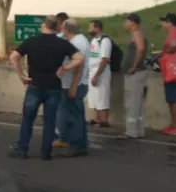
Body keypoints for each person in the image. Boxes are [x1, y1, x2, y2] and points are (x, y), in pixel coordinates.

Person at [9, 15, 85, 160]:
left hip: (35, 85)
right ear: (57, 27)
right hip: (54, 86)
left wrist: (22, 76)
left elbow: (13, 57)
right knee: (50, 121)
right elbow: (79, 58)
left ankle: (22, 148)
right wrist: (65, 67)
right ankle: (46, 152)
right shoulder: (62, 44)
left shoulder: (31, 41)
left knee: (28, 119)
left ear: (43, 25)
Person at [53, 20, 90, 155]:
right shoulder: (79, 40)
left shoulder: (77, 43)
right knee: (71, 115)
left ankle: (78, 146)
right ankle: (70, 141)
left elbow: (79, 65)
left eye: (63, 28)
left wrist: (73, 85)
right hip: (71, 84)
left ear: (67, 29)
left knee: (75, 118)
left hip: (75, 85)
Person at [117, 13, 150, 140]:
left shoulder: (137, 33)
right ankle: (138, 130)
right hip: (137, 73)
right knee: (137, 103)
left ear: (132, 22)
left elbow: (140, 49)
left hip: (135, 74)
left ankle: (132, 131)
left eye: (126, 22)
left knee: (132, 102)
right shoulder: (138, 33)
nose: (124, 24)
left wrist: (134, 66)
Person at [86, 20, 112, 127]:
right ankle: (96, 117)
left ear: (97, 28)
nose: (89, 29)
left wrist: (97, 74)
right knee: (94, 96)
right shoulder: (93, 41)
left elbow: (104, 59)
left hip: (101, 72)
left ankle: (104, 119)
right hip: (92, 71)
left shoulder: (105, 41)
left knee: (102, 95)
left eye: (91, 27)